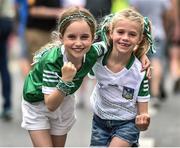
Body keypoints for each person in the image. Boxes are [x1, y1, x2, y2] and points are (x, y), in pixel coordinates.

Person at [21, 6, 150, 147]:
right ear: (61, 38)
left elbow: (121, 45)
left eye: (84, 37)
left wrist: (141, 55)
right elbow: (50, 105)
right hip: (38, 103)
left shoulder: (95, 51)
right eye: (71, 37)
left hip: (64, 100)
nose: (78, 43)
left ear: (93, 38)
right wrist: (65, 79)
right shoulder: (52, 61)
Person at [89, 8, 152, 147]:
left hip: (127, 124)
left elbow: (143, 114)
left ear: (139, 39)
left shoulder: (141, 71)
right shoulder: (97, 57)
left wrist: (144, 121)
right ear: (111, 32)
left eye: (132, 34)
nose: (125, 38)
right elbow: (77, 49)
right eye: (120, 32)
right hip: (99, 121)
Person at [129, 0, 171, 105]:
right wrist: (165, 30)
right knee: (156, 62)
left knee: (139, 62)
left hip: (141, 34)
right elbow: (167, 17)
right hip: (158, 33)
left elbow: (132, 14)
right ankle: (155, 94)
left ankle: (137, 92)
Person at [0, 0, 15, 120]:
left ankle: (7, 106)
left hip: (2, 19)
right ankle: (7, 106)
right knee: (4, 65)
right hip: (7, 20)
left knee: (4, 66)